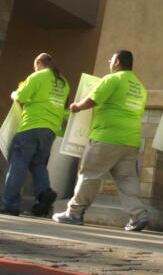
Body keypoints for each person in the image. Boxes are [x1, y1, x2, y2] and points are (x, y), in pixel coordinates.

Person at [53, 50, 149, 231]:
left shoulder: (112, 79)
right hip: (130, 140)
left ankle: (74, 213)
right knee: (127, 179)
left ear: (117, 61)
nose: (109, 62)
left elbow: (93, 99)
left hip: (106, 137)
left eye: (111, 59)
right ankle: (139, 216)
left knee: (90, 174)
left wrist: (77, 106)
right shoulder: (140, 87)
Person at [0, 53, 69, 216]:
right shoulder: (64, 82)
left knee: (18, 165)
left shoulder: (37, 76)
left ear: (38, 63)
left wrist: (14, 94)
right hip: (50, 130)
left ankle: (10, 205)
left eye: (35, 65)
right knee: (38, 164)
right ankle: (44, 193)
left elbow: (21, 97)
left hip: (31, 126)